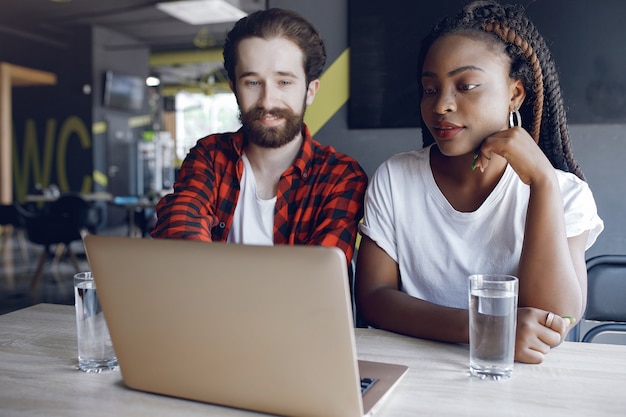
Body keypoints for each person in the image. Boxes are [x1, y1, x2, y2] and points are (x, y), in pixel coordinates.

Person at [355, 0, 604, 364]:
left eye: (466, 85)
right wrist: (483, 327)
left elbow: (555, 319)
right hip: (411, 375)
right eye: (429, 89)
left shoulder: (565, 192)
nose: (442, 105)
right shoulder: (395, 179)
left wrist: (542, 184)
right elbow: (374, 297)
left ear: (515, 93)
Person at [150, 8, 367, 266]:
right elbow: (179, 230)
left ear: (310, 90)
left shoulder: (340, 176)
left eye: (284, 82)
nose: (267, 101)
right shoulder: (210, 155)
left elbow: (319, 277)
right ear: (234, 88)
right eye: (253, 82)